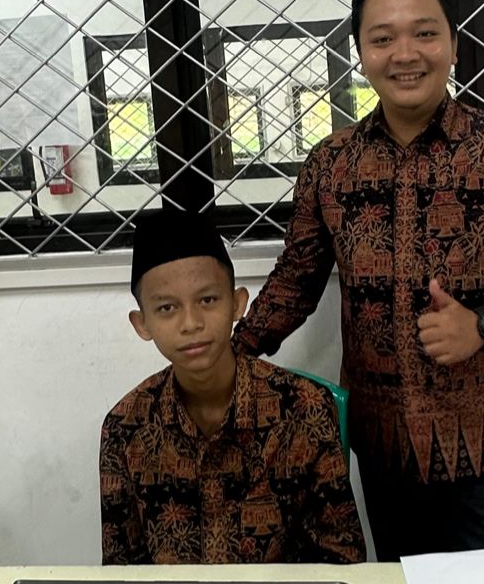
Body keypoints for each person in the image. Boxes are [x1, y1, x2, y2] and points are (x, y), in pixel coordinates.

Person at [233, 0, 484, 560]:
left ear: (453, 45)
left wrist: (483, 323)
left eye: (424, 33)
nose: (405, 54)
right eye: (383, 38)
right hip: (384, 444)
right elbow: (297, 279)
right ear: (361, 54)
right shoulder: (330, 164)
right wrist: (230, 354)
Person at [99, 210, 366, 565]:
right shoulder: (125, 427)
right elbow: (121, 573)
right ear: (142, 324)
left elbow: (343, 558)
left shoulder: (304, 408)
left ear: (238, 304)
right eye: (167, 308)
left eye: (207, 300)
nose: (191, 323)